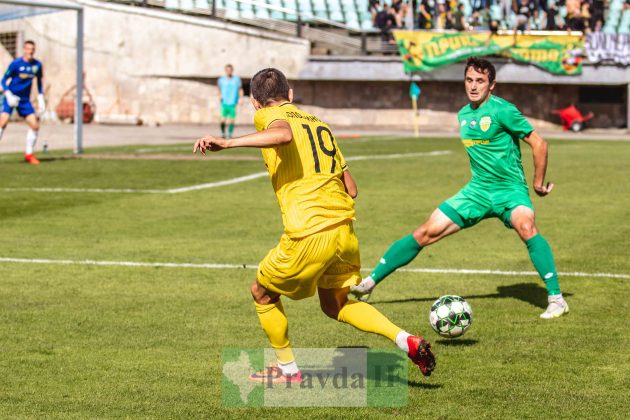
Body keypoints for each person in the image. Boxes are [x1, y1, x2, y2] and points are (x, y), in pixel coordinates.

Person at [193, 68, 436, 383]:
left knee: (262, 293)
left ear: (254, 102)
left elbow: (283, 134)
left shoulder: (268, 116)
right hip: (343, 231)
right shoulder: (321, 125)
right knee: (335, 305)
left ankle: (287, 371)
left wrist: (227, 143)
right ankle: (406, 340)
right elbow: (352, 188)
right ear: (291, 93)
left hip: (310, 230)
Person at [350, 57, 569, 320]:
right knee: (425, 232)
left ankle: (556, 299)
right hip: (477, 191)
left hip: (509, 190)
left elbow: (539, 143)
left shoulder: (504, 110)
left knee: (526, 227)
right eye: (469, 80)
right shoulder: (464, 114)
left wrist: (537, 183)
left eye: (480, 81)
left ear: (492, 85)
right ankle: (370, 284)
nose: (473, 86)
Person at [0, 40, 45, 165]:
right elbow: (3, 81)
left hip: (25, 100)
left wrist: (41, 98)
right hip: (11, 97)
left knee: (35, 126)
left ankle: (29, 154)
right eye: (28, 49)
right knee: (2, 123)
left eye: (32, 49)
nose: (30, 51)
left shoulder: (37, 65)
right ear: (24, 49)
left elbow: (39, 82)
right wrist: (8, 95)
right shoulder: (15, 64)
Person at [217, 64, 243, 139]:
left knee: (232, 120)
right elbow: (218, 89)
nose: (229, 71)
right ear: (225, 71)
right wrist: (219, 96)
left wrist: (241, 98)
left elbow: (240, 89)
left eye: (230, 70)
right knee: (222, 120)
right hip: (224, 103)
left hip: (232, 103)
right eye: (227, 70)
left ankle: (230, 134)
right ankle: (223, 133)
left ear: (232, 70)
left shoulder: (237, 79)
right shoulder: (221, 80)